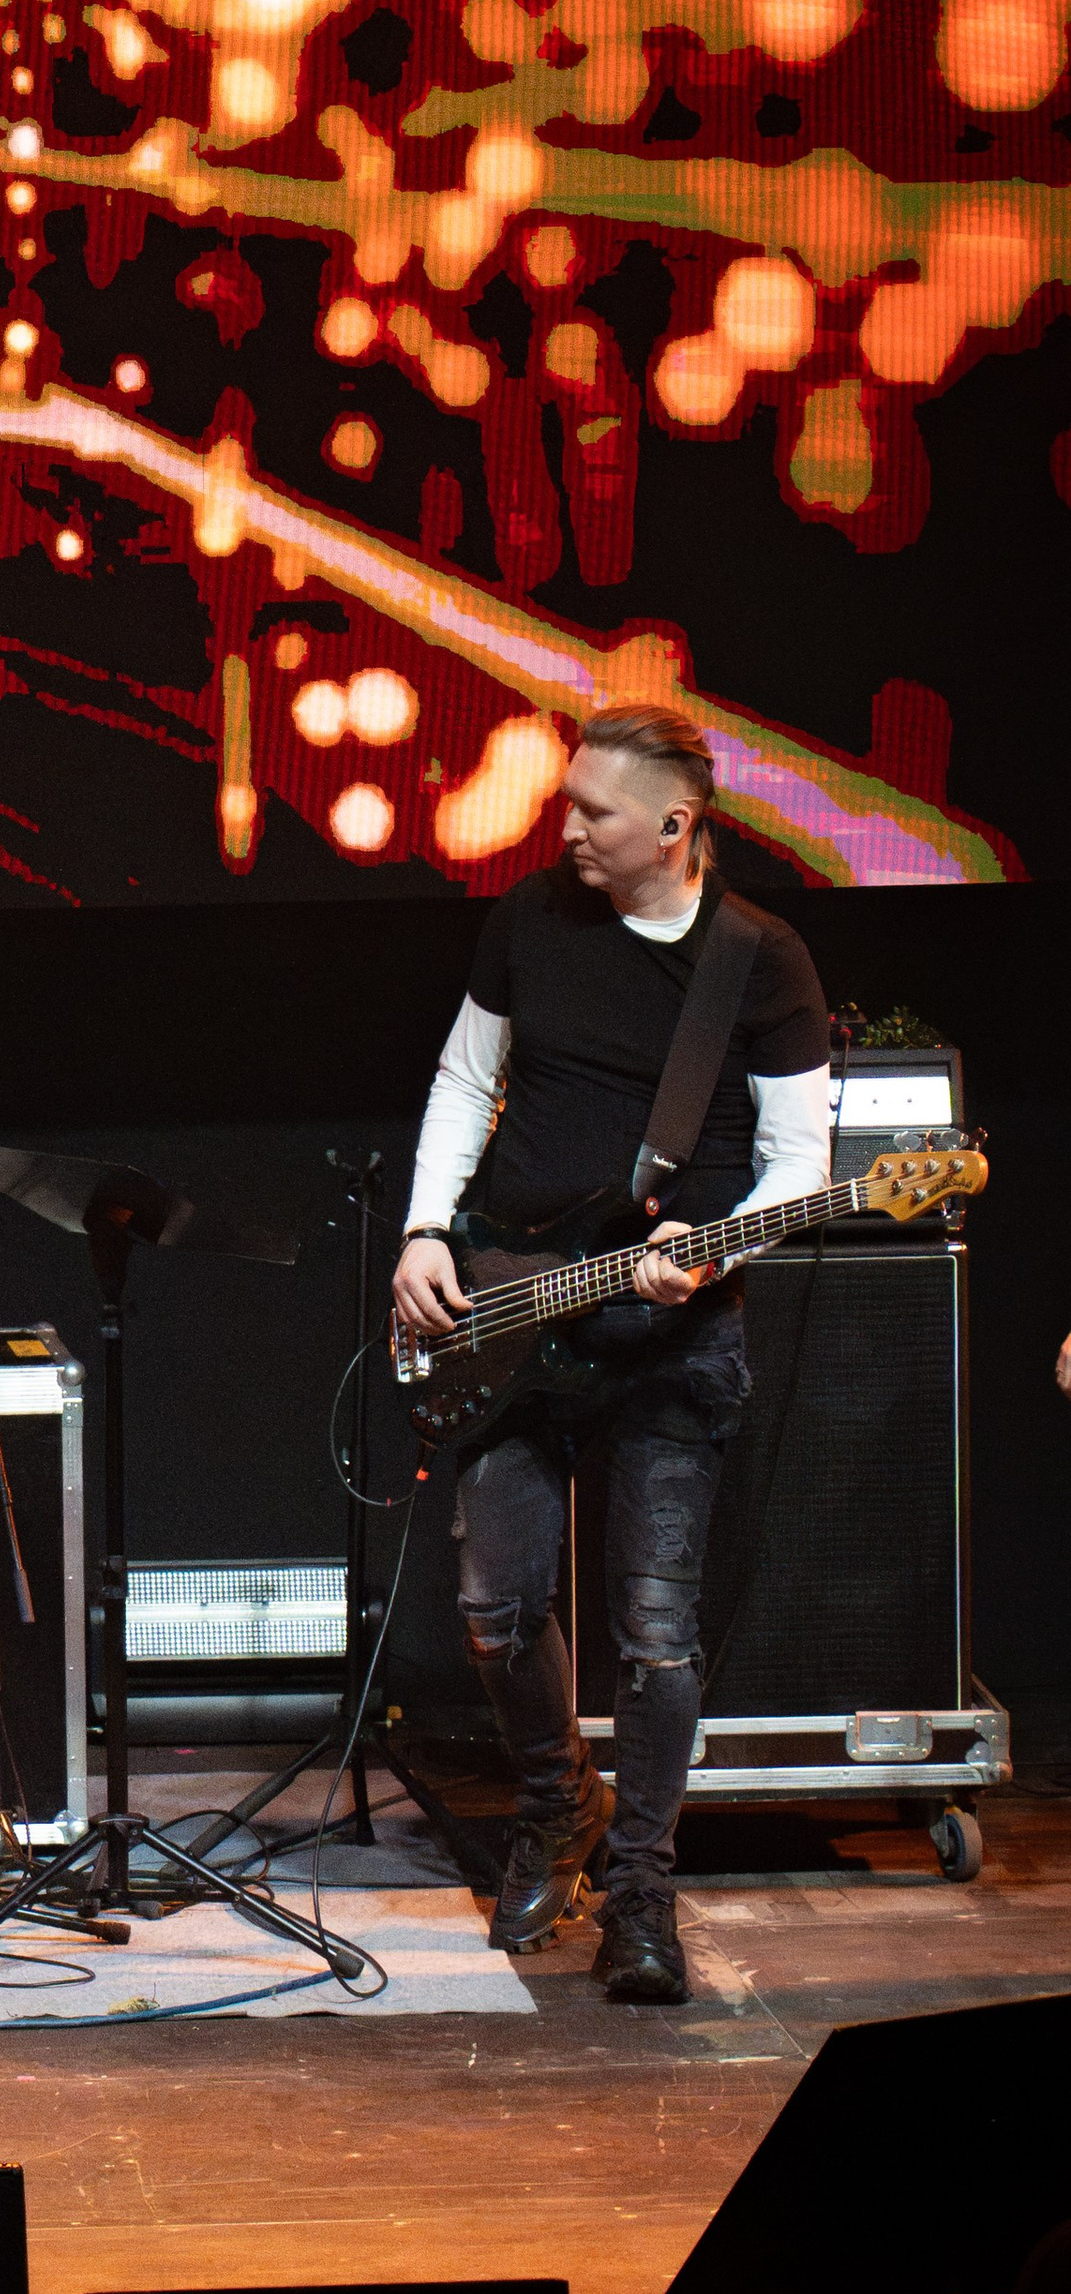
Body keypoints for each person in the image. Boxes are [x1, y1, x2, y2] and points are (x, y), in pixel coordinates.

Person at [391, 704, 832, 2004]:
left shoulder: (759, 959)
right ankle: (556, 1803)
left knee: (655, 1634)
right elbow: (469, 1082)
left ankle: (643, 1895)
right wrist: (426, 1231)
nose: (566, 827)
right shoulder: (530, 920)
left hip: (669, 1340)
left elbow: (800, 1168)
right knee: (495, 1607)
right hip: (514, 1300)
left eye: (593, 811)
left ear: (676, 827)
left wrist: (717, 1247)